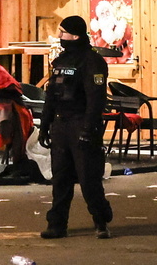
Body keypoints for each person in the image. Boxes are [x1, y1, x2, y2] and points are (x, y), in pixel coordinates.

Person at [38, 15, 113, 239]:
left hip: (81, 123)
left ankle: (101, 220)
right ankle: (57, 224)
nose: (60, 37)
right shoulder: (60, 61)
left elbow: (95, 99)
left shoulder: (92, 62)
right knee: (60, 178)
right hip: (61, 124)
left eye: (63, 32)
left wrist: (89, 130)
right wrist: (45, 126)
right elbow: (51, 96)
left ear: (75, 35)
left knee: (88, 178)